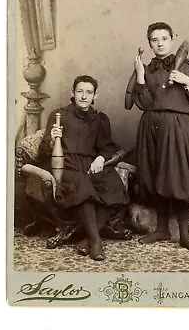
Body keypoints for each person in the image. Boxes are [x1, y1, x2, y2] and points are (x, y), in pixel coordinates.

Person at [130, 22, 189, 252]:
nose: (160, 43)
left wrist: (188, 82)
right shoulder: (147, 68)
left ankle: (185, 235)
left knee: (178, 177)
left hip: (176, 126)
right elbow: (142, 103)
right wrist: (141, 76)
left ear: (172, 39)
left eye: (164, 38)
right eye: (155, 39)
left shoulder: (186, 66)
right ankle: (162, 230)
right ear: (150, 43)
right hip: (151, 127)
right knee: (155, 178)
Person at [38, 75, 130, 261]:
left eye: (89, 92)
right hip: (65, 165)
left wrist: (101, 158)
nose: (84, 96)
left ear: (95, 95)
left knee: (113, 184)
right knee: (83, 185)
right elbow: (43, 149)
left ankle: (87, 238)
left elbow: (106, 146)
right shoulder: (59, 115)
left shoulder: (100, 119)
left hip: (90, 164)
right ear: (72, 93)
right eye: (80, 91)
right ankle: (95, 241)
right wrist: (52, 138)